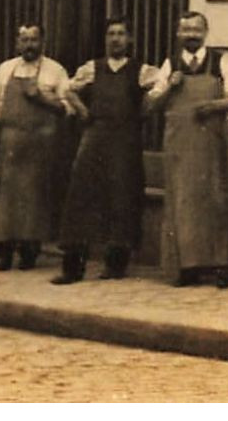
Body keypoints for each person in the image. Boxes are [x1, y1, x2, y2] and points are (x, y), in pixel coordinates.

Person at [145, 10, 228, 288]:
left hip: (210, 142)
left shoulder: (220, 61)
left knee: (215, 200)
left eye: (196, 30)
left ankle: (222, 265)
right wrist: (169, 88)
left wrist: (212, 106)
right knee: (182, 204)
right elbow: (150, 105)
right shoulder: (170, 65)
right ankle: (186, 267)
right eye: (186, 29)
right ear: (178, 34)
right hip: (179, 145)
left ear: (205, 32)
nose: (191, 35)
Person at [51, 18, 153, 285]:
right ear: (105, 39)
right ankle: (73, 266)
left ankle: (116, 263)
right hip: (95, 137)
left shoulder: (141, 70)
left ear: (129, 39)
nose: (116, 39)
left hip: (126, 141)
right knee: (80, 196)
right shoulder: (92, 68)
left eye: (121, 34)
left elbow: (158, 93)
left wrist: (144, 111)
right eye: (111, 34)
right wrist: (83, 110)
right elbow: (67, 90)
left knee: (122, 197)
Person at [0, 23, 70, 271]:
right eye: (24, 40)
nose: (29, 45)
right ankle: (2, 251)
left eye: (33, 40)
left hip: (40, 147)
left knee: (34, 200)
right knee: (6, 200)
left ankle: (29, 251)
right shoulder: (5, 69)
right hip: (10, 145)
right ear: (17, 43)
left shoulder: (55, 71)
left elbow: (68, 108)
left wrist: (41, 98)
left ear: (43, 42)